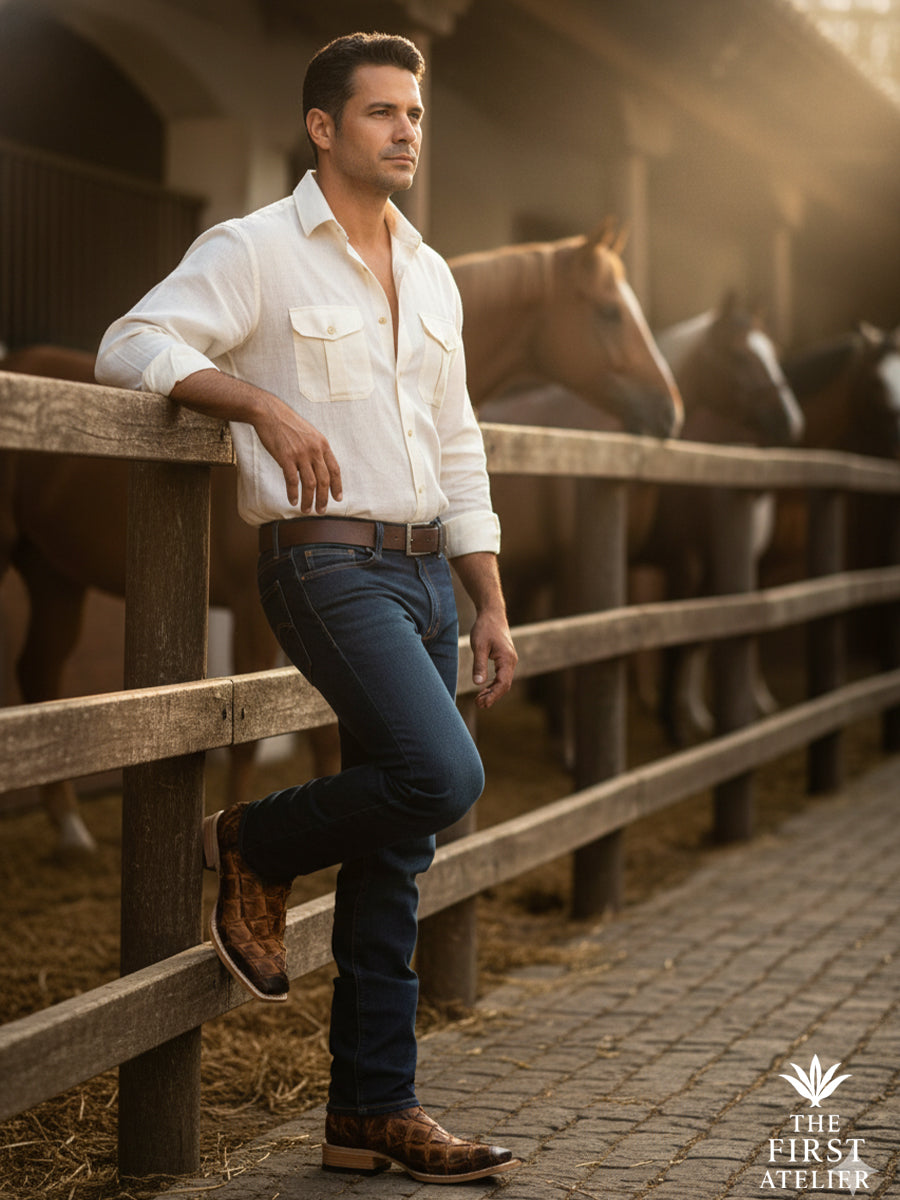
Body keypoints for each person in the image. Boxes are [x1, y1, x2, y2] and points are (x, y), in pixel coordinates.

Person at [96, 31, 520, 1186]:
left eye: (415, 115)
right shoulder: (257, 250)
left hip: (430, 571)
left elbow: (459, 443)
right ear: (325, 128)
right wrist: (259, 409)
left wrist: (486, 598)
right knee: (444, 776)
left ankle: (370, 1110)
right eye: (381, 113)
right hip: (327, 565)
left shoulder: (430, 273)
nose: (405, 132)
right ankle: (253, 839)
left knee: (400, 844)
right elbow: (130, 342)